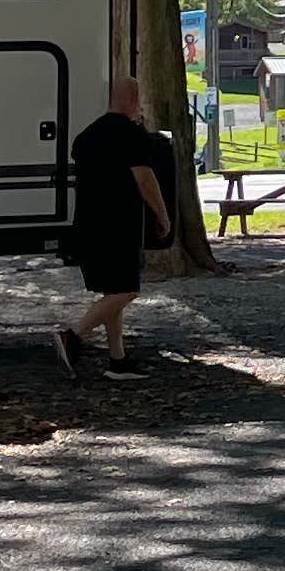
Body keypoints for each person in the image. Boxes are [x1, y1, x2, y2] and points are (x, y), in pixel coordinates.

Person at [59, 75, 172, 376]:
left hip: (87, 223)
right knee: (126, 291)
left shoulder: (86, 136)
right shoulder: (132, 135)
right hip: (118, 225)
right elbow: (145, 179)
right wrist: (163, 215)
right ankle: (73, 335)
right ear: (134, 100)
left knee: (112, 292)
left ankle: (117, 360)